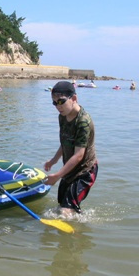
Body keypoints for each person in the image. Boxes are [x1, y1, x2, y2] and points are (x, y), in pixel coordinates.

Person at [44, 81, 98, 217]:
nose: (58, 106)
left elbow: (79, 155)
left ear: (74, 99)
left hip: (85, 171)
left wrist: (57, 176)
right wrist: (53, 160)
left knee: (65, 210)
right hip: (70, 169)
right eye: (54, 103)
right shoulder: (62, 117)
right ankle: (77, 229)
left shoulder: (83, 121)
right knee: (62, 205)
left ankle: (74, 235)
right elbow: (65, 142)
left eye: (61, 101)